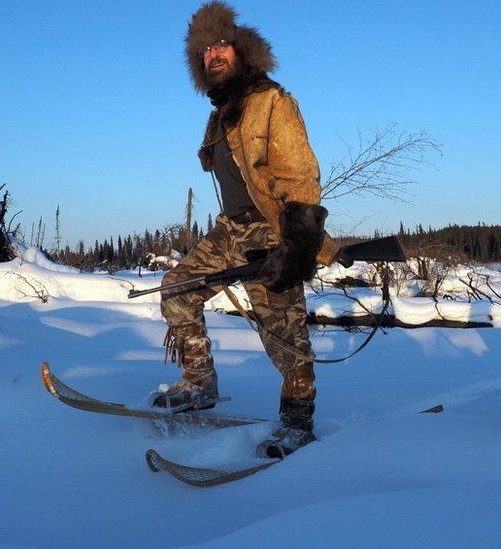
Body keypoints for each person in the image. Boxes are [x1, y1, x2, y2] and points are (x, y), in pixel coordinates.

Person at [155, 1, 340, 458]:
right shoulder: (221, 113)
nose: (213, 55)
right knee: (177, 288)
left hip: (270, 232)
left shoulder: (272, 102)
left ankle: (298, 422)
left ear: (241, 49)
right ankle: (199, 383)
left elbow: (301, 175)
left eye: (221, 45)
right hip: (230, 231)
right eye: (204, 50)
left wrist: (297, 248)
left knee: (282, 333)